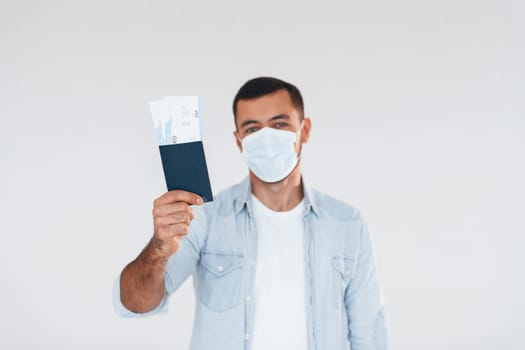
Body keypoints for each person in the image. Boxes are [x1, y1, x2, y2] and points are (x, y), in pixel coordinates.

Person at [114, 77, 389, 350]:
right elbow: (135, 304)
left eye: (280, 124)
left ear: (304, 130)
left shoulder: (347, 224)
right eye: (252, 128)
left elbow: (369, 333)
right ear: (239, 141)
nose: (266, 138)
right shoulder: (206, 217)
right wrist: (159, 249)